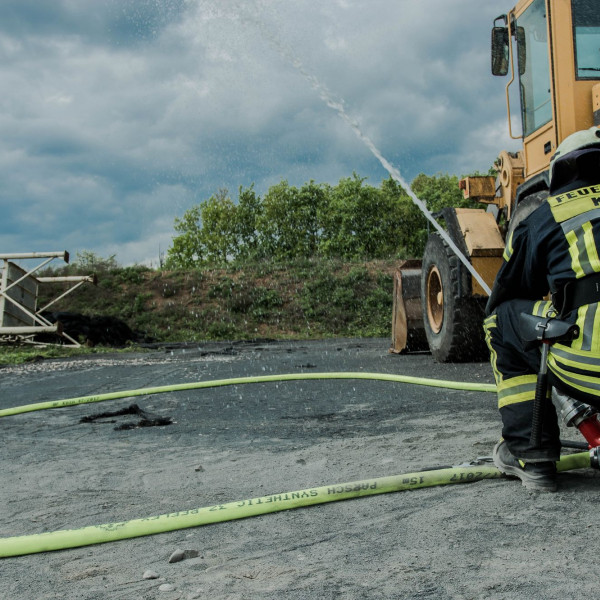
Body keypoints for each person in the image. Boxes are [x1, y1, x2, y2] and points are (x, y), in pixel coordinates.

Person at [484, 126, 600, 492]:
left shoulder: (545, 216)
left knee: (503, 320)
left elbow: (509, 292)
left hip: (590, 366)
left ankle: (531, 455)